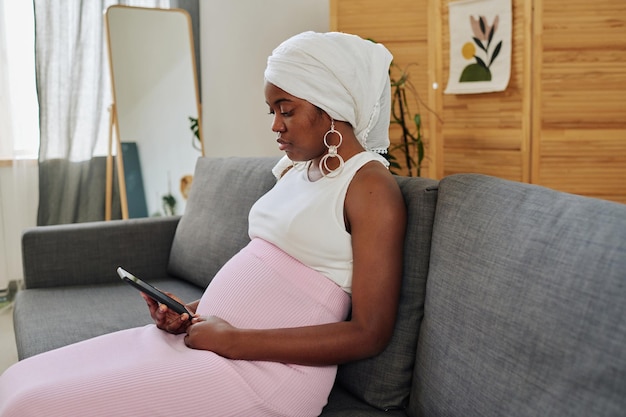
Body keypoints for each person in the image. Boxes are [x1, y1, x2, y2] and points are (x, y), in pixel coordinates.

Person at [0, 31, 406, 417]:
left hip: (265, 374)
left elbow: (369, 332)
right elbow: (265, 283)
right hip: (213, 346)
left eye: (287, 110)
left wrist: (234, 342)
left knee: (30, 406)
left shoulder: (369, 187)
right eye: (272, 112)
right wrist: (189, 312)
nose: (275, 126)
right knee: (18, 382)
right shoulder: (297, 171)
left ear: (330, 104)